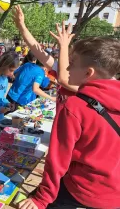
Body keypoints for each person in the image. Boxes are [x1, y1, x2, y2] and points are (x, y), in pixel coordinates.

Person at [17, 20, 120, 209]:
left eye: (71, 63)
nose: (66, 68)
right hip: (112, 192)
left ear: (88, 72)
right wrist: (23, 28)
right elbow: (40, 52)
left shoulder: (77, 102)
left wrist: (41, 198)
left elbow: (58, 160)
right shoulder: (108, 90)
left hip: (83, 188)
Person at [12, 6, 79, 113]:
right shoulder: (67, 72)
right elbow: (37, 50)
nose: (68, 59)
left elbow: (63, 80)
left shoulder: (90, 86)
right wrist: (22, 27)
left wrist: (64, 46)